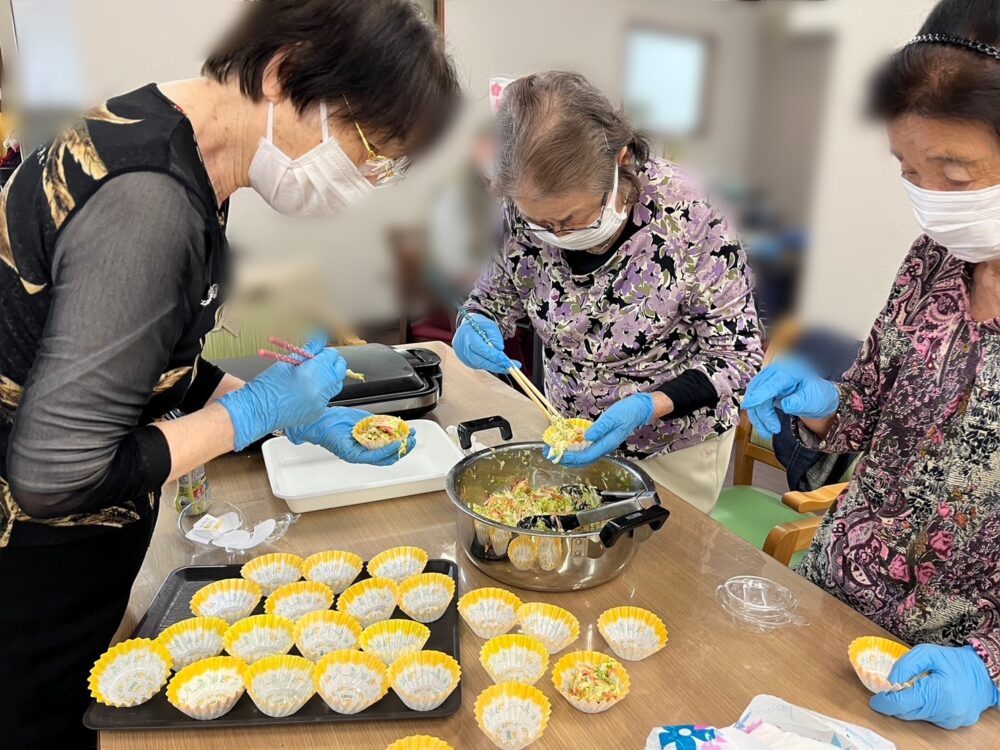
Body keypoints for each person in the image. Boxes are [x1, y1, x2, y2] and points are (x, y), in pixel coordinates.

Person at [0, 1, 458, 746]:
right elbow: (55, 474)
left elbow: (133, 355)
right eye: (368, 146)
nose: (369, 178)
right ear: (282, 74)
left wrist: (277, 408)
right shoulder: (150, 200)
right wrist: (249, 417)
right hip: (29, 575)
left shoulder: (168, 144)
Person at [742, 0, 1000, 729]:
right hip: (836, 609)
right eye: (909, 171)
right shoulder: (933, 263)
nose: (931, 204)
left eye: (955, 173)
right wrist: (819, 401)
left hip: (959, 679)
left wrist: (988, 671)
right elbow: (866, 408)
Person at [454, 72, 762, 513]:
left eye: (572, 218)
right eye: (542, 223)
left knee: (663, 567)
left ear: (619, 163)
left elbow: (737, 356)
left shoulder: (691, 215)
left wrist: (649, 405)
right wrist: (477, 323)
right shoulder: (518, 210)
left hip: (673, 446)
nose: (556, 234)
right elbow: (493, 300)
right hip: (567, 428)